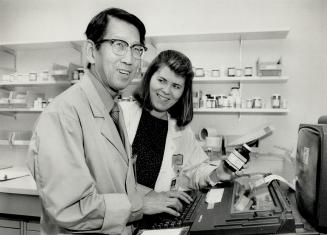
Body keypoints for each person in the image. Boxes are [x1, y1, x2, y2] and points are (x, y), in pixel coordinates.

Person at [26, 8, 191, 235]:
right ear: (92, 51)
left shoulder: (112, 110)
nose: (130, 59)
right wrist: (140, 204)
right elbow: (70, 209)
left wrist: (152, 195)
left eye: (136, 49)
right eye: (118, 45)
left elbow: (115, 184)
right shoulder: (63, 115)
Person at [120, 50, 235, 193]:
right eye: (161, 80)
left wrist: (218, 173)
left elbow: (194, 171)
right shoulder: (119, 114)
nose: (166, 91)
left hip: (160, 213)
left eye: (176, 86)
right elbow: (104, 175)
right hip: (119, 211)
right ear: (149, 78)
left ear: (183, 92)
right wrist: (146, 198)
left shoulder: (181, 131)